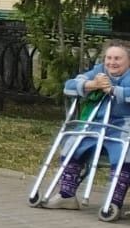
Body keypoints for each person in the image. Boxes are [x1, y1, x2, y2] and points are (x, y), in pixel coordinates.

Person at [50, 42, 130, 213]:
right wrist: (93, 84)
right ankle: (67, 195)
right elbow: (70, 85)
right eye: (109, 58)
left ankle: (113, 202)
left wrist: (114, 90)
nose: (112, 62)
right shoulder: (100, 70)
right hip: (96, 124)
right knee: (74, 142)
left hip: (123, 126)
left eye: (118, 58)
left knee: (125, 152)